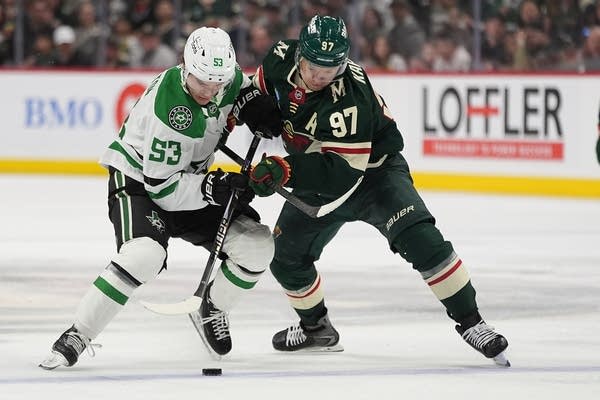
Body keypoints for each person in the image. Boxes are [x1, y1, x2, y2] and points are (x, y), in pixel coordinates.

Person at [246, 15, 510, 366]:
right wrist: (247, 108)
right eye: (313, 67)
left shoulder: (349, 96)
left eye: (330, 69)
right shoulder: (280, 57)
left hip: (373, 175)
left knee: (422, 240)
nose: (320, 77)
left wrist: (285, 169)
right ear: (299, 55)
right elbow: (253, 90)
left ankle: (472, 323)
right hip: (317, 171)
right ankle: (315, 328)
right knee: (284, 256)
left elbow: (342, 173)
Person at [39, 26, 281, 369]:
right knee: (144, 255)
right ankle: (79, 332)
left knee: (257, 247)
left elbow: (241, 87)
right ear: (186, 67)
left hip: (187, 180)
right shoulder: (172, 111)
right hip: (141, 182)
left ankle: (212, 307)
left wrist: (253, 104)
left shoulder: (222, 78)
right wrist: (214, 188)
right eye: (202, 82)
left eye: (217, 83)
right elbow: (164, 190)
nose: (210, 91)